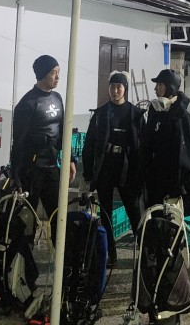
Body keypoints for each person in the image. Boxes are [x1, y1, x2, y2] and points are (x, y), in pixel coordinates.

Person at [82, 70, 146, 267]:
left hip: (128, 168)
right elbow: (89, 145)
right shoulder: (100, 114)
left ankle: (145, 252)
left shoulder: (135, 114)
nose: (115, 90)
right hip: (106, 167)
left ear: (125, 89)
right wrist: (88, 173)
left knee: (134, 211)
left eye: (119, 87)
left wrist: (143, 173)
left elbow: (143, 146)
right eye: (112, 86)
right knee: (105, 213)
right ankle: (111, 254)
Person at [11, 55, 76, 244]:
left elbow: (63, 131)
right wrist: (15, 174)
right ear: (42, 74)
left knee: (58, 215)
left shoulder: (57, 98)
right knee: (28, 220)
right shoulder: (27, 104)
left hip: (52, 166)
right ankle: (25, 256)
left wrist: (70, 159)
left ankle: (60, 255)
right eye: (54, 73)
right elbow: (18, 143)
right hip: (32, 170)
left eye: (58, 72)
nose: (57, 77)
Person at [141, 68, 190, 215]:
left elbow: (186, 156)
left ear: (170, 88)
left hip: (172, 187)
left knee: (170, 224)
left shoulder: (181, 117)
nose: (156, 89)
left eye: (160, 85)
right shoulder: (155, 112)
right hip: (155, 182)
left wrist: (178, 186)